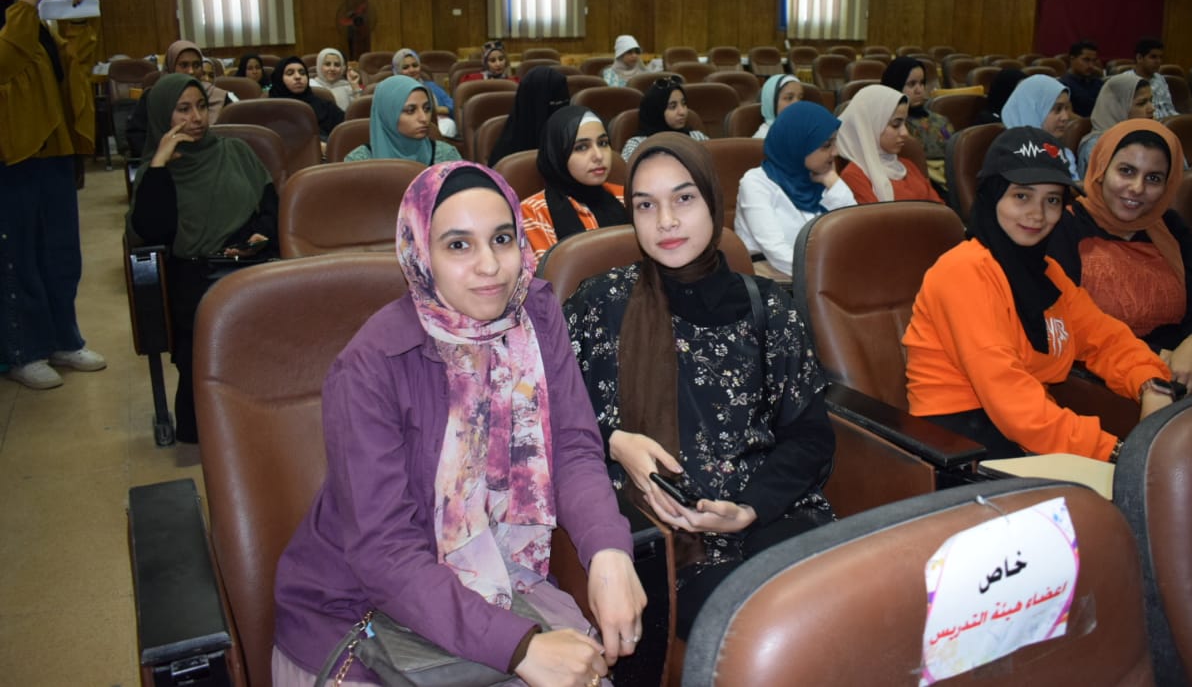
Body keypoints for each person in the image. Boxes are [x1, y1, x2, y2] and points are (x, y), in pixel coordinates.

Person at [273, 162, 645, 687]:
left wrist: (608, 553)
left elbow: (572, 449)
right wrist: (519, 648)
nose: (490, 266)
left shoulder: (535, 317)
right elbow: (384, 553)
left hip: (498, 573)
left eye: (502, 239)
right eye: (458, 245)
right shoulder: (371, 366)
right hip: (360, 613)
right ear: (421, 255)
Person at [564, 134, 835, 639]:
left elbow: (809, 435)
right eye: (646, 205)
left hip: (771, 511)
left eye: (684, 198)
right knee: (759, 631)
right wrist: (612, 441)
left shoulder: (768, 307)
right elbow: (544, 417)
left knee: (835, 610)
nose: (666, 220)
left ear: (712, 201)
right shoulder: (600, 305)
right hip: (665, 537)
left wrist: (750, 507)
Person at [903, 126, 1175, 462]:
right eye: (1022, 196)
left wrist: (1152, 385)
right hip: (958, 444)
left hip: (1025, 427)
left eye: (1052, 200)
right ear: (993, 196)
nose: (1038, 214)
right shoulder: (962, 271)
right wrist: (1116, 453)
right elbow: (1010, 398)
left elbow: (1106, 338)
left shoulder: (1047, 273)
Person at [128, 75, 277, 443]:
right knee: (207, 329)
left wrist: (258, 237)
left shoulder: (236, 151)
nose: (196, 118)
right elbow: (153, 231)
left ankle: (276, 413)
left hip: (251, 264)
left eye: (201, 107)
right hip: (194, 273)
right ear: (163, 116)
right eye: (183, 109)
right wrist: (160, 165)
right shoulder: (155, 172)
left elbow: (272, 207)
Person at [1048, 120, 1192, 395]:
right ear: (1102, 170)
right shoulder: (1063, 228)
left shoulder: (1170, 227)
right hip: (1111, 382)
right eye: (1126, 171)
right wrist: (1169, 359)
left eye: (1153, 178)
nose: (1137, 188)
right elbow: (1065, 328)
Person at [0, 0, 106, 390]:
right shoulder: (19, 21)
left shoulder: (32, 25)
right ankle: (24, 351)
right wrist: (27, 4)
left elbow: (74, 66)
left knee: (61, 254)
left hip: (53, 153)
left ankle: (64, 339)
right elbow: (5, 63)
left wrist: (73, 15)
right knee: (18, 259)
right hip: (12, 159)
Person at [735, 101, 854, 278]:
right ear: (799, 144)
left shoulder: (816, 177)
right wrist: (829, 275)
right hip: (774, 278)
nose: (835, 152)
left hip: (822, 273)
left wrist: (833, 181)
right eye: (826, 145)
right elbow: (776, 251)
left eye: (835, 143)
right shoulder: (755, 183)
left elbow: (852, 230)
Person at [520, 105, 628, 262]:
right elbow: (550, 274)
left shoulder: (626, 196)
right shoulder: (534, 212)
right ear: (558, 154)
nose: (598, 156)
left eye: (603, 143)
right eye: (581, 147)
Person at [126, 40, 239, 156]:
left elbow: (232, 133)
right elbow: (137, 137)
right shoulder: (153, 97)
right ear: (171, 67)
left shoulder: (219, 96)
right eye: (184, 65)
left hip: (211, 157)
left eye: (196, 65)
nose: (191, 71)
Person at [836, 84, 942, 204]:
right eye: (896, 124)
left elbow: (941, 210)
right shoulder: (854, 176)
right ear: (871, 126)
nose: (905, 133)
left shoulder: (908, 166)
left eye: (905, 123)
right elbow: (877, 216)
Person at [343, 75, 461, 165]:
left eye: (427, 109)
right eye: (410, 110)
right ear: (389, 115)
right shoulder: (358, 162)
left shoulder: (446, 156)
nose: (424, 118)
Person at [881, 56, 953, 188]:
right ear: (895, 85)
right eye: (911, 84)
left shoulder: (939, 120)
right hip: (911, 183)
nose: (919, 90)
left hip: (949, 181)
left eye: (922, 83)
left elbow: (954, 154)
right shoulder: (886, 125)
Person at [1000, 74, 1081, 180]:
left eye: (1067, 108)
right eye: (1057, 109)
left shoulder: (1064, 153)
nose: (1065, 117)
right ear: (1031, 111)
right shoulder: (1010, 157)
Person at [487, 66, 571, 166]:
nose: (561, 112)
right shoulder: (506, 155)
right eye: (554, 102)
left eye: (564, 101)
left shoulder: (572, 136)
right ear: (533, 103)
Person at [1076, 73, 1154, 176]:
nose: (1152, 108)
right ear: (1118, 107)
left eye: (1151, 101)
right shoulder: (1096, 146)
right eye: (1141, 103)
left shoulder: (1153, 135)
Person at [619, 77, 709, 162]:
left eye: (683, 103)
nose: (682, 112)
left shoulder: (696, 137)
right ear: (657, 111)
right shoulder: (637, 145)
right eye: (673, 106)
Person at [268, 56, 345, 140]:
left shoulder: (326, 106)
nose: (298, 77)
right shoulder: (270, 110)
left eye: (302, 73)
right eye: (290, 73)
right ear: (279, 78)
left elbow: (346, 131)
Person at [392, 48, 457, 138]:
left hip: (438, 125)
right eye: (405, 67)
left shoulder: (431, 86)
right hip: (406, 130)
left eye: (415, 65)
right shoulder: (393, 92)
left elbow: (454, 107)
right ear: (397, 71)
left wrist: (437, 110)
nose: (412, 70)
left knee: (449, 124)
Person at [1124, 37, 1176, 119]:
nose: (1158, 61)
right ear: (1139, 58)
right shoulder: (1125, 80)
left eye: (1160, 57)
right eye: (1153, 57)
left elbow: (1170, 109)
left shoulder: (1160, 78)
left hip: (1167, 122)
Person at [1059, 39, 1102, 118]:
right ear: (1072, 59)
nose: (1091, 65)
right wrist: (1090, 123)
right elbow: (1067, 113)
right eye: (1086, 60)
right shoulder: (1063, 84)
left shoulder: (1098, 82)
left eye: (1094, 61)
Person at [752, 73, 804, 139]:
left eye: (800, 98)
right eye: (789, 98)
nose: (798, 104)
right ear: (771, 102)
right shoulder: (763, 138)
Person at [309, 47, 357, 111]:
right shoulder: (311, 86)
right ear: (319, 66)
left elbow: (357, 112)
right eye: (327, 64)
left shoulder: (348, 87)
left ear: (342, 68)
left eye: (337, 65)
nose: (332, 68)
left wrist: (355, 86)